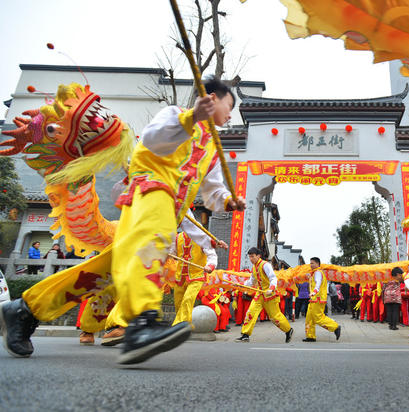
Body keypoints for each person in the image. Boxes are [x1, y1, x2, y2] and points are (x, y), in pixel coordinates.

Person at [0, 76, 245, 363]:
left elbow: (212, 189)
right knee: (150, 247)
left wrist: (227, 200)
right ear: (211, 99)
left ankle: (24, 309)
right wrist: (192, 117)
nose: (230, 115)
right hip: (150, 189)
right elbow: (153, 139)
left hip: (170, 208)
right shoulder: (176, 115)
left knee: (105, 271)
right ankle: (141, 323)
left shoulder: (212, 149)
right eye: (229, 106)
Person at [235, 248, 293, 343]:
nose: (251, 259)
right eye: (249, 257)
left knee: (275, 317)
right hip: (260, 294)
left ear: (258, 256)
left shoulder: (265, 265)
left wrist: (271, 288)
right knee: (251, 313)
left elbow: (273, 278)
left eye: (252, 256)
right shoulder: (254, 267)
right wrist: (241, 285)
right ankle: (245, 334)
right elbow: (251, 281)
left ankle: (288, 330)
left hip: (270, 294)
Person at [302, 257, 340, 342]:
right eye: (310, 263)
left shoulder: (318, 272)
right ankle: (310, 336)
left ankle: (335, 327)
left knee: (318, 318)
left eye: (312, 263)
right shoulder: (314, 273)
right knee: (309, 318)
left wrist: (314, 292)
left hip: (318, 299)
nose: (310, 265)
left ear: (318, 264)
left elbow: (318, 284)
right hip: (313, 299)